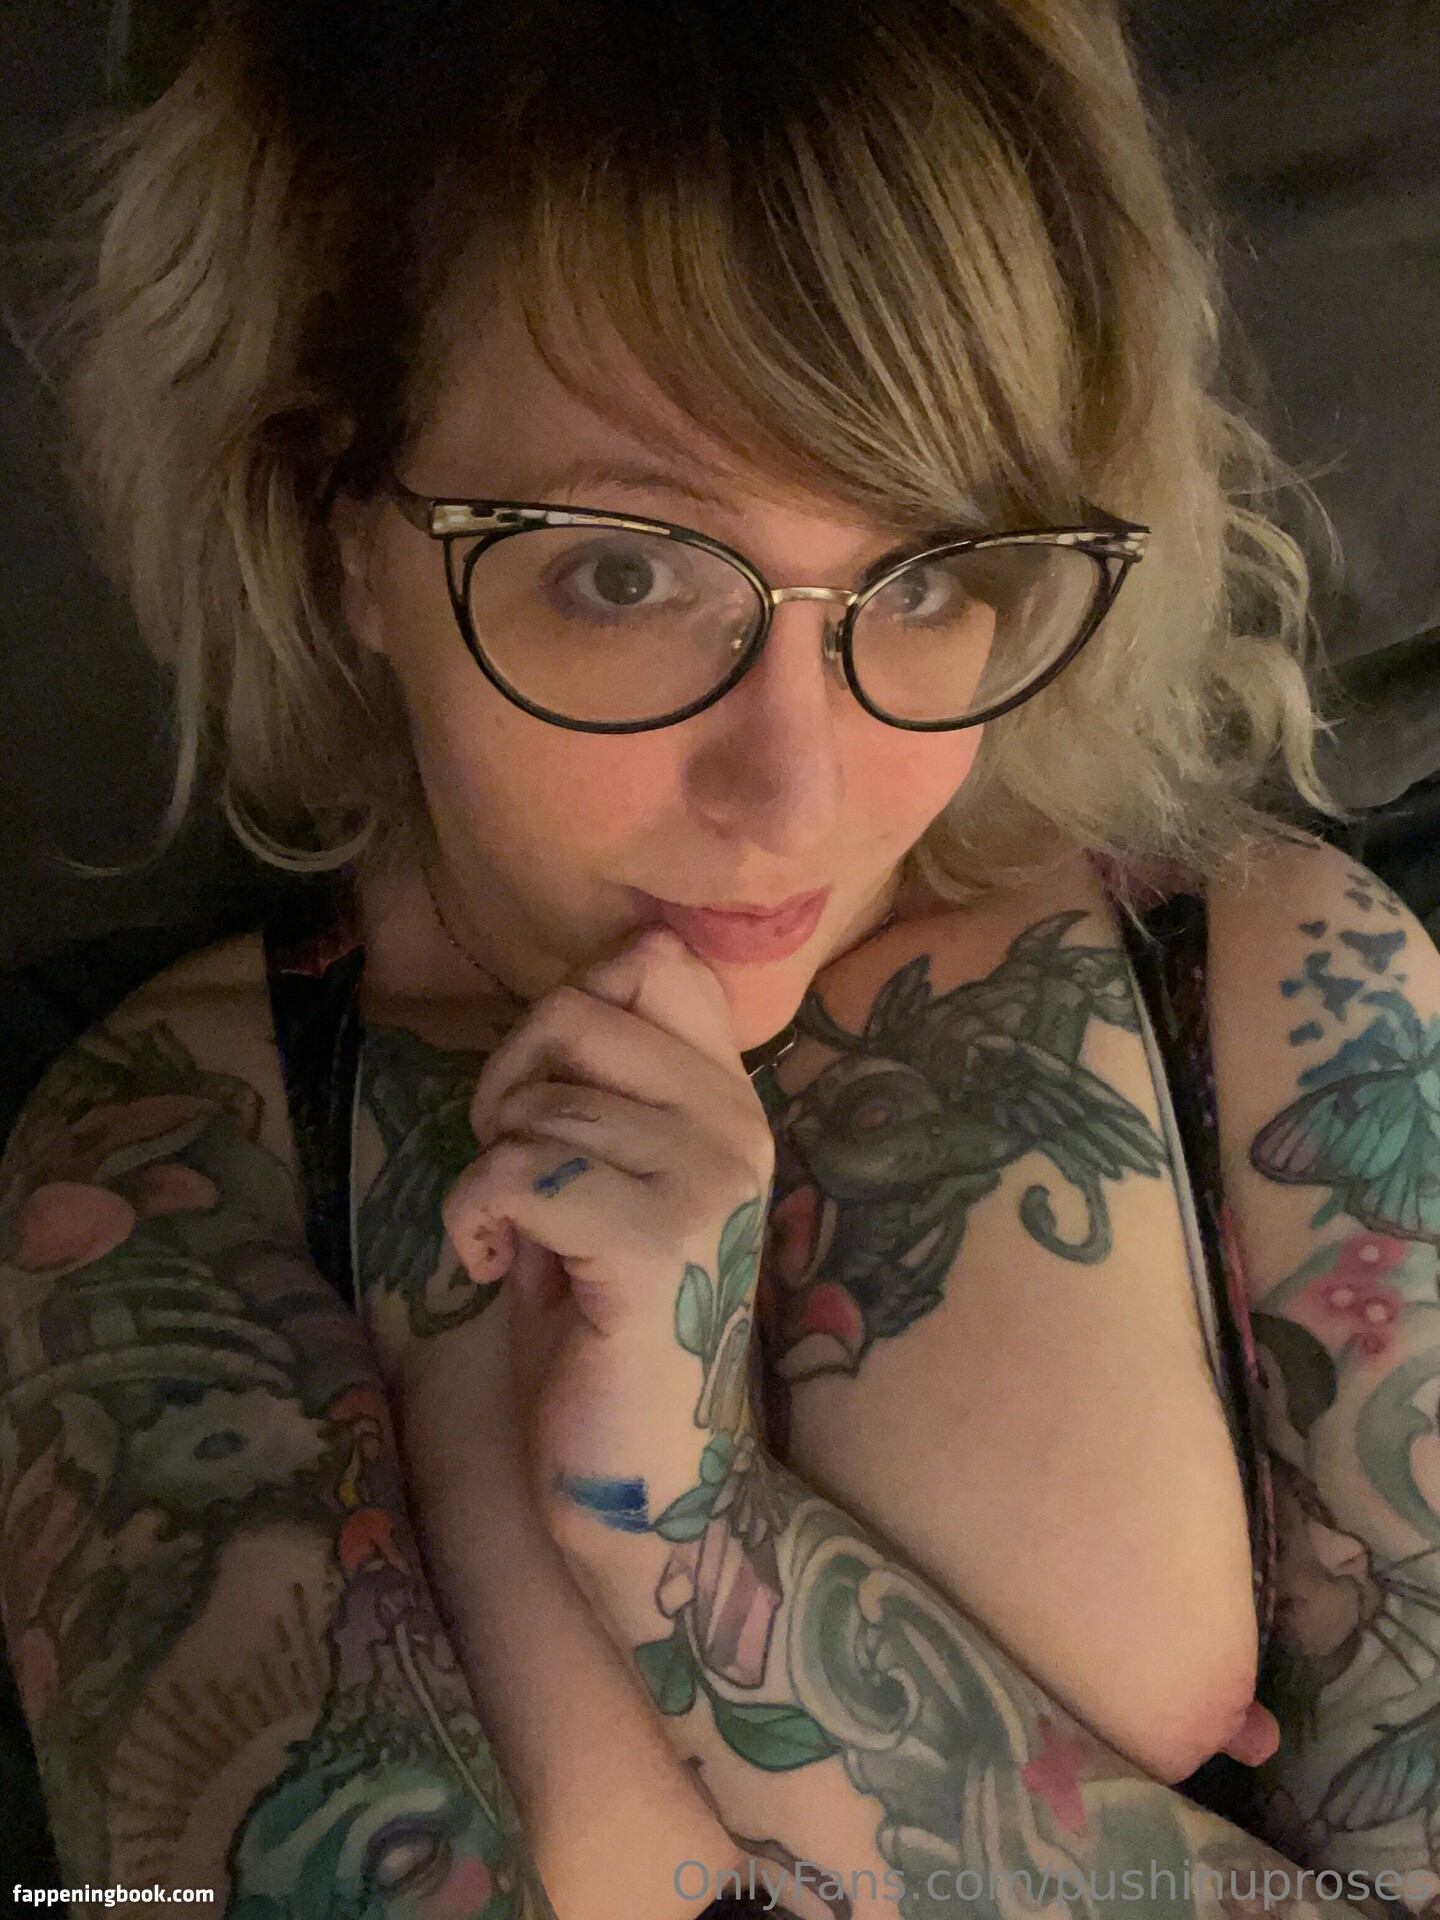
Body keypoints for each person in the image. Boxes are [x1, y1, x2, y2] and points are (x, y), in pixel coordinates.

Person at [2, 0, 1438, 1913]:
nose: (797, 790)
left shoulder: (1274, 993)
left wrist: (683, 1540)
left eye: (930, 576)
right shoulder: (178, 1152)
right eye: (626, 574)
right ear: (343, 534)